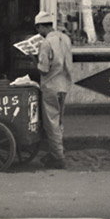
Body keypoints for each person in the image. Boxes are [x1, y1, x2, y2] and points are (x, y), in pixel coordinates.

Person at [34, 10, 73, 169]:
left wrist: (34, 58)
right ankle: (57, 151)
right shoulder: (65, 38)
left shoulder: (46, 43)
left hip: (51, 85)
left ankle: (58, 156)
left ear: (40, 27)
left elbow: (43, 69)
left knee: (51, 122)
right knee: (59, 120)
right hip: (64, 84)